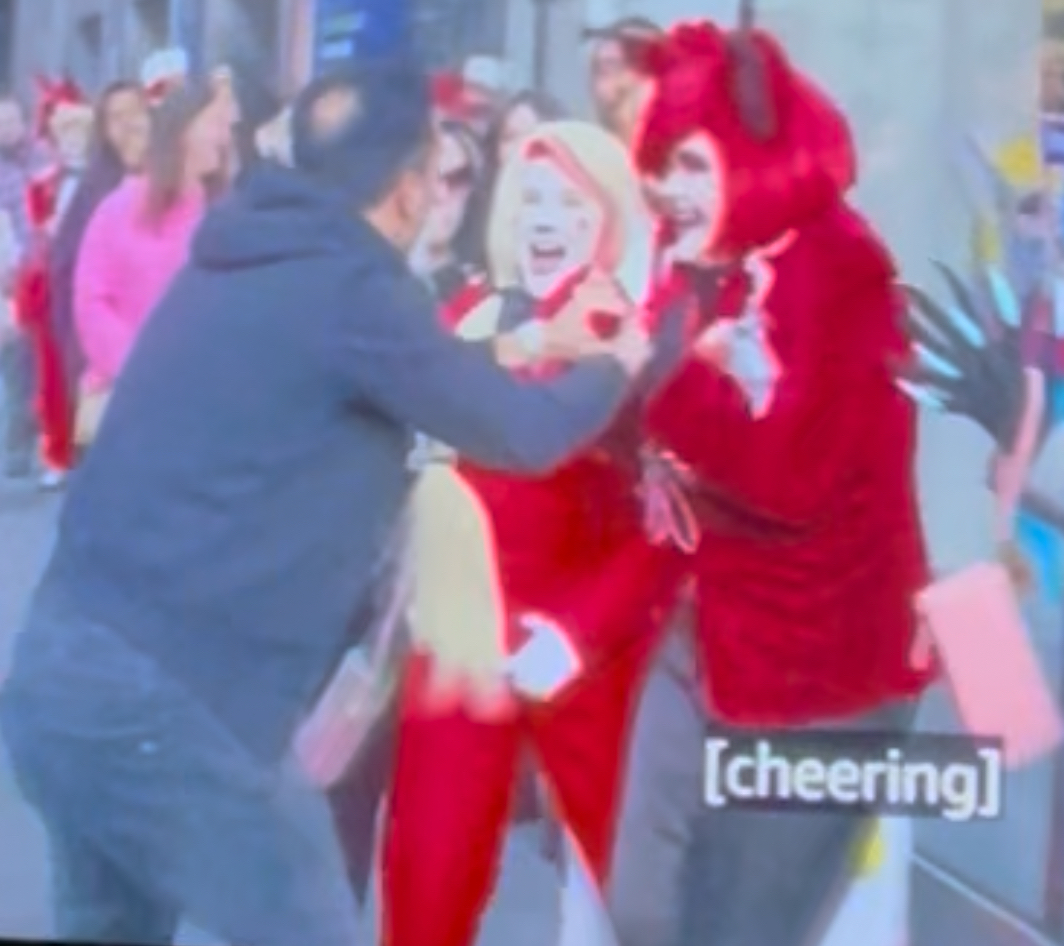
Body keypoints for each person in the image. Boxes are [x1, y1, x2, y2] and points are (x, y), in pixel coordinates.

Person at [0, 59, 650, 946]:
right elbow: (521, 431)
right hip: (171, 709)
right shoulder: (355, 287)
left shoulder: (255, 252)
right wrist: (615, 364)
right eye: (440, 173)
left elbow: (398, 372)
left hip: (62, 676)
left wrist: (534, 340)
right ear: (409, 186)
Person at [604, 19, 935, 946]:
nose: (668, 188)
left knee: (738, 927)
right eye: (661, 163)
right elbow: (647, 422)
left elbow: (795, 478)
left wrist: (669, 379)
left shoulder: (839, 267)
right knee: (640, 904)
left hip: (822, 678)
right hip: (710, 630)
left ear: (753, 160)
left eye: (692, 163)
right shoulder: (697, 266)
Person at [379, 119, 690, 946]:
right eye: (533, 200)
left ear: (611, 221)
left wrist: (578, 634)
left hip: (586, 657)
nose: (545, 221)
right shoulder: (471, 314)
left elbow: (666, 529)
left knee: (644, 901)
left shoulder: (644, 343)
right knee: (425, 886)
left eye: (571, 205)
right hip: (462, 642)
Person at [72, 80, 231, 446]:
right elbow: (91, 301)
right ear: (183, 128)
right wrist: (140, 367)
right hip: (129, 403)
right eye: (215, 123)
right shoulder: (119, 208)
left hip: (203, 407)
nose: (224, 135)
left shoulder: (224, 212)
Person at [47, 80, 151, 463]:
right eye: (114, 118)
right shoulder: (93, 191)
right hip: (103, 365)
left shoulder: (177, 180)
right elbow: (65, 273)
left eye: (134, 112)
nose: (127, 125)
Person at [13, 77, 95, 489]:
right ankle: (57, 451)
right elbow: (34, 237)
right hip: (54, 285)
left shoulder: (102, 180)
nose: (71, 141)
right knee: (52, 372)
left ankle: (90, 447)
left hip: (90, 281)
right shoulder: (44, 185)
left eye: (78, 132)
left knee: (90, 368)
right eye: (64, 133)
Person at [0, 90, 50, 477]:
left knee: (43, 359)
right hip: (9, 275)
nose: (6, 129)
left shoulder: (44, 157)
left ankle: (42, 442)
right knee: (17, 358)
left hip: (45, 269)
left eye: (11, 121)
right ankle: (19, 446)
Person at [582, 16, 663, 147]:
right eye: (606, 41)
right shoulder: (574, 149)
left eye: (632, 47)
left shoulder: (682, 152)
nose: (608, 53)